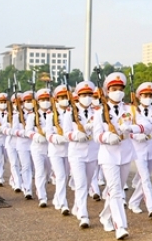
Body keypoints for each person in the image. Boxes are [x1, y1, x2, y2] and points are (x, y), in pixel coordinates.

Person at [96, 72, 136, 240]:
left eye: (120, 89)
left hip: (125, 154)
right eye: (113, 88)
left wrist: (132, 129)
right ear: (107, 90)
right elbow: (96, 135)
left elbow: (140, 126)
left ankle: (105, 216)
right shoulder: (100, 112)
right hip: (108, 155)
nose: (117, 91)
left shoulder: (129, 110)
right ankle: (121, 226)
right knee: (115, 190)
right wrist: (107, 137)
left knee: (116, 190)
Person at [68, 81, 103, 229]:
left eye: (90, 95)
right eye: (84, 95)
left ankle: (77, 206)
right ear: (78, 96)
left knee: (88, 183)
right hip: (76, 152)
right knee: (81, 184)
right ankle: (83, 214)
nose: (87, 97)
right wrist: (76, 135)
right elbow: (65, 133)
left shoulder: (98, 112)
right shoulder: (70, 113)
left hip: (93, 151)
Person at [128, 82, 152, 219]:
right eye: (144, 95)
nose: (147, 97)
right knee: (146, 178)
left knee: (144, 179)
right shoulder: (132, 111)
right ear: (139, 96)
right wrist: (136, 135)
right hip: (139, 148)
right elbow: (127, 129)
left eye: (149, 95)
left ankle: (133, 202)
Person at [47, 85, 73, 216]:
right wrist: (58, 139)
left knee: (66, 177)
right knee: (61, 176)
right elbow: (48, 134)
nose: (64, 100)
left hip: (69, 150)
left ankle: (57, 198)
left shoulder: (72, 112)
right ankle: (63, 204)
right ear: (56, 99)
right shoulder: (51, 114)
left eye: (66, 97)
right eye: (61, 97)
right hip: (56, 150)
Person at [29, 89, 53, 208]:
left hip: (50, 147)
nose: (45, 102)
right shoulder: (32, 115)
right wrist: (35, 136)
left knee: (48, 172)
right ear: (38, 102)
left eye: (47, 99)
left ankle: (41, 188)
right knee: (40, 172)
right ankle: (42, 197)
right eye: (42, 100)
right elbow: (27, 131)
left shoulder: (53, 114)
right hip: (37, 147)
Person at [14, 91, 36, 200]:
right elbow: (14, 130)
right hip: (22, 144)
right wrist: (24, 133)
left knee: (35, 168)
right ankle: (28, 189)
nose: (29, 103)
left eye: (31, 100)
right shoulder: (17, 115)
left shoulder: (37, 114)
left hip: (35, 143)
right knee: (26, 166)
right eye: (27, 101)